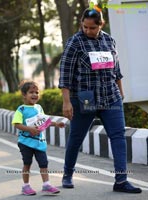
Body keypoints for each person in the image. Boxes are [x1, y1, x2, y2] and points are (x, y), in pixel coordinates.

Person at [58, 8, 142, 193]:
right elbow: (65, 74)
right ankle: (67, 174)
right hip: (85, 99)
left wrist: (120, 92)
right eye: (85, 27)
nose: (88, 31)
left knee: (118, 137)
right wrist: (66, 102)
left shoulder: (109, 40)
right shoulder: (75, 43)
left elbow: (116, 69)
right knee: (76, 137)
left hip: (111, 97)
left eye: (92, 28)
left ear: (100, 25)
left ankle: (121, 180)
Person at [12, 80, 64, 195]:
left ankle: (46, 184)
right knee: (27, 163)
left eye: (37, 92)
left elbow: (44, 121)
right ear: (24, 95)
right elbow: (16, 124)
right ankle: (25, 186)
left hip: (39, 142)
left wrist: (56, 124)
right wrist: (29, 129)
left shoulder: (39, 108)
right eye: (31, 92)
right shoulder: (21, 109)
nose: (35, 95)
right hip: (25, 142)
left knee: (44, 163)